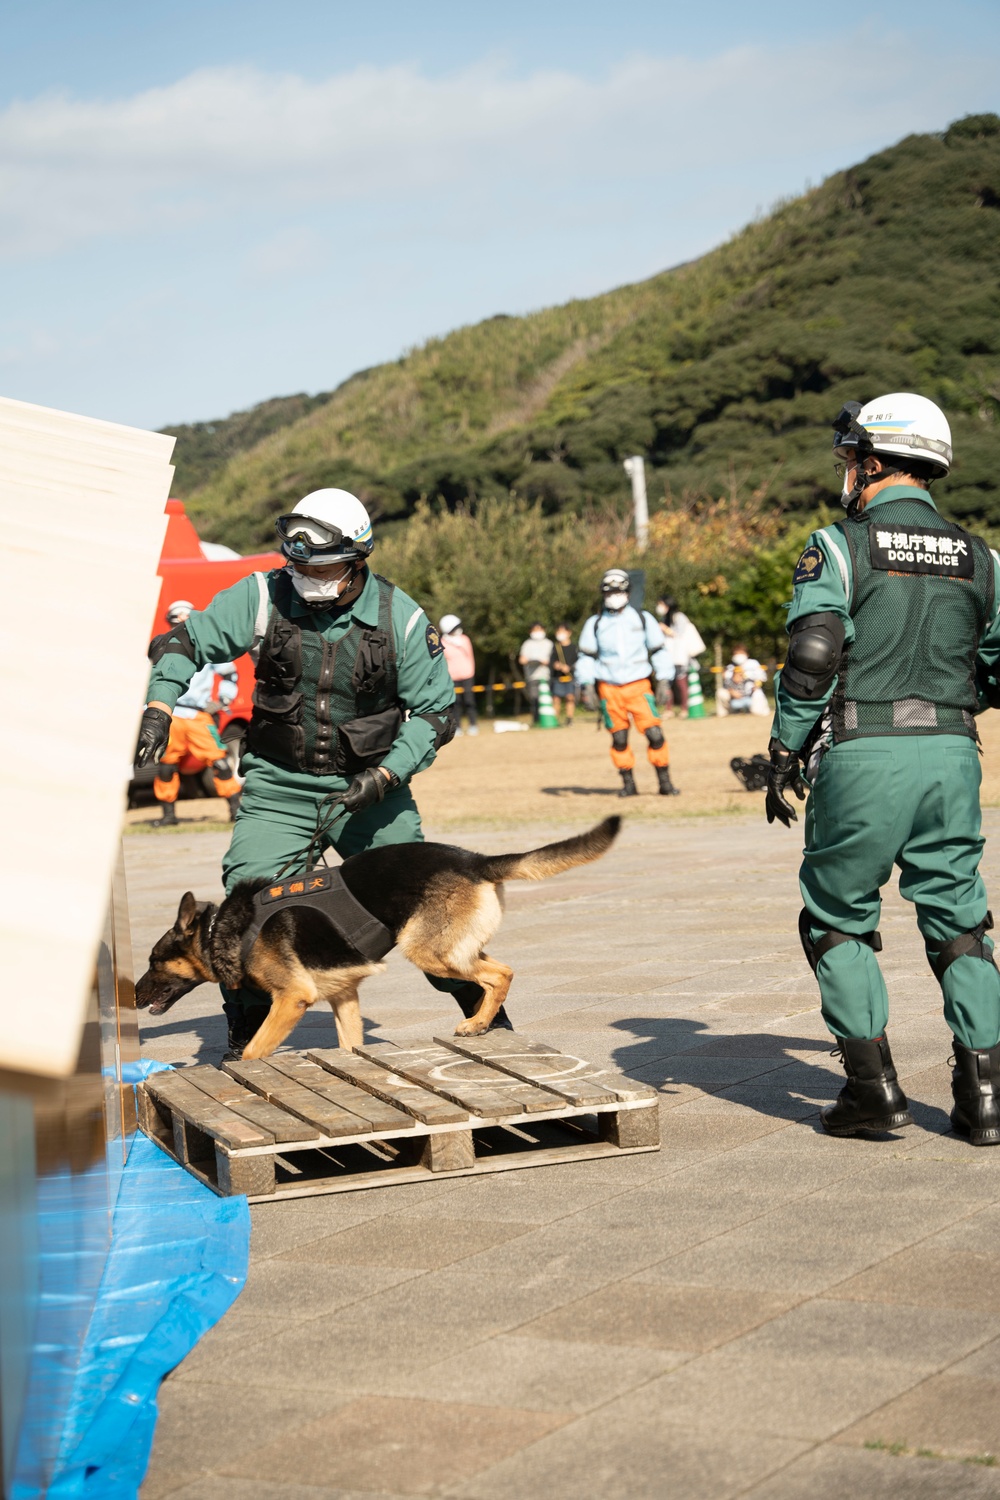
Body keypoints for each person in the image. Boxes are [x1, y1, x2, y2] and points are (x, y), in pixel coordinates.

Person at [135, 488, 510, 1059]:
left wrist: (386, 777)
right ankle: (243, 1040)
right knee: (249, 901)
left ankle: (490, 1024)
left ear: (358, 555)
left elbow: (436, 714)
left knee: (418, 903)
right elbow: (187, 641)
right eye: (298, 563)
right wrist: (160, 706)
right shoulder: (262, 597)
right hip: (280, 787)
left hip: (372, 789)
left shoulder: (400, 618)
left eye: (324, 565)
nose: (308, 576)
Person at [766, 392, 1000, 1146]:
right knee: (960, 921)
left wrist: (784, 746)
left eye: (849, 459)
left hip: (864, 750)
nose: (845, 473)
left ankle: (875, 1094)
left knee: (836, 917)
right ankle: (985, 1098)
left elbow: (813, 653)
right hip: (955, 752)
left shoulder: (838, 545)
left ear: (872, 461)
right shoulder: (984, 557)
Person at [576, 568, 678, 797]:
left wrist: (663, 680)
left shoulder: (643, 618)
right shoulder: (595, 623)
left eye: (618, 590)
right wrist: (587, 685)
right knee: (619, 738)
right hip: (609, 688)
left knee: (655, 734)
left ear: (628, 592)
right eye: (609, 591)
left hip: (639, 685)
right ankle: (628, 785)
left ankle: (665, 783)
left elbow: (658, 650)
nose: (614, 594)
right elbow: (587, 656)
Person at [149, 601, 243, 826]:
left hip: (197, 716)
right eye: (178, 618)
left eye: (187, 617)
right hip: (170, 714)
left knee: (219, 761)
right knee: (166, 765)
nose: (182, 621)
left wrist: (223, 699)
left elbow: (230, 674)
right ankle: (168, 816)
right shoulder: (161, 645)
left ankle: (236, 810)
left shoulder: (207, 646)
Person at [654, 599, 705, 716]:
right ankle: (668, 709)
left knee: (681, 683)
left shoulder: (679, 617)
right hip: (668, 656)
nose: (659, 607)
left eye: (661, 604)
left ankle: (684, 709)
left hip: (680, 657)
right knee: (667, 683)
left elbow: (679, 634)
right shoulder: (665, 619)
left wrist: (665, 629)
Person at [439, 613, 478, 736]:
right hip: (453, 677)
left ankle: (473, 725)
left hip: (467, 676)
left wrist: (470, 672)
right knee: (456, 704)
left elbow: (470, 657)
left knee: (469, 701)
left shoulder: (465, 639)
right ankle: (458, 727)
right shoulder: (442, 642)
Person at [716, 644, 769, 717]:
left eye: (741, 653)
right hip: (735, 695)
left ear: (746, 654)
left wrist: (756, 685)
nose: (738, 656)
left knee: (758, 697)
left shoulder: (753, 663)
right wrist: (732, 692)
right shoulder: (730, 667)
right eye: (736, 654)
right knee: (721, 692)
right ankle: (724, 714)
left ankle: (761, 711)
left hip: (751, 692)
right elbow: (726, 683)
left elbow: (762, 677)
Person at [518, 623, 553, 723]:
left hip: (546, 675)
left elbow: (553, 660)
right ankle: (536, 720)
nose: (537, 632)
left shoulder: (548, 643)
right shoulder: (527, 644)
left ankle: (549, 719)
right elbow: (522, 659)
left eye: (539, 629)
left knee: (547, 698)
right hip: (532, 676)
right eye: (535, 630)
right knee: (534, 699)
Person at [551, 624, 578, 725]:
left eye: (562, 631)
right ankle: (555, 719)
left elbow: (578, 661)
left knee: (570, 697)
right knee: (556, 698)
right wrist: (555, 665)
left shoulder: (574, 647)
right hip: (557, 677)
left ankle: (569, 719)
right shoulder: (555, 647)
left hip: (571, 677)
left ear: (569, 633)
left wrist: (569, 667)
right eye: (558, 632)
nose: (560, 634)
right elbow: (551, 660)